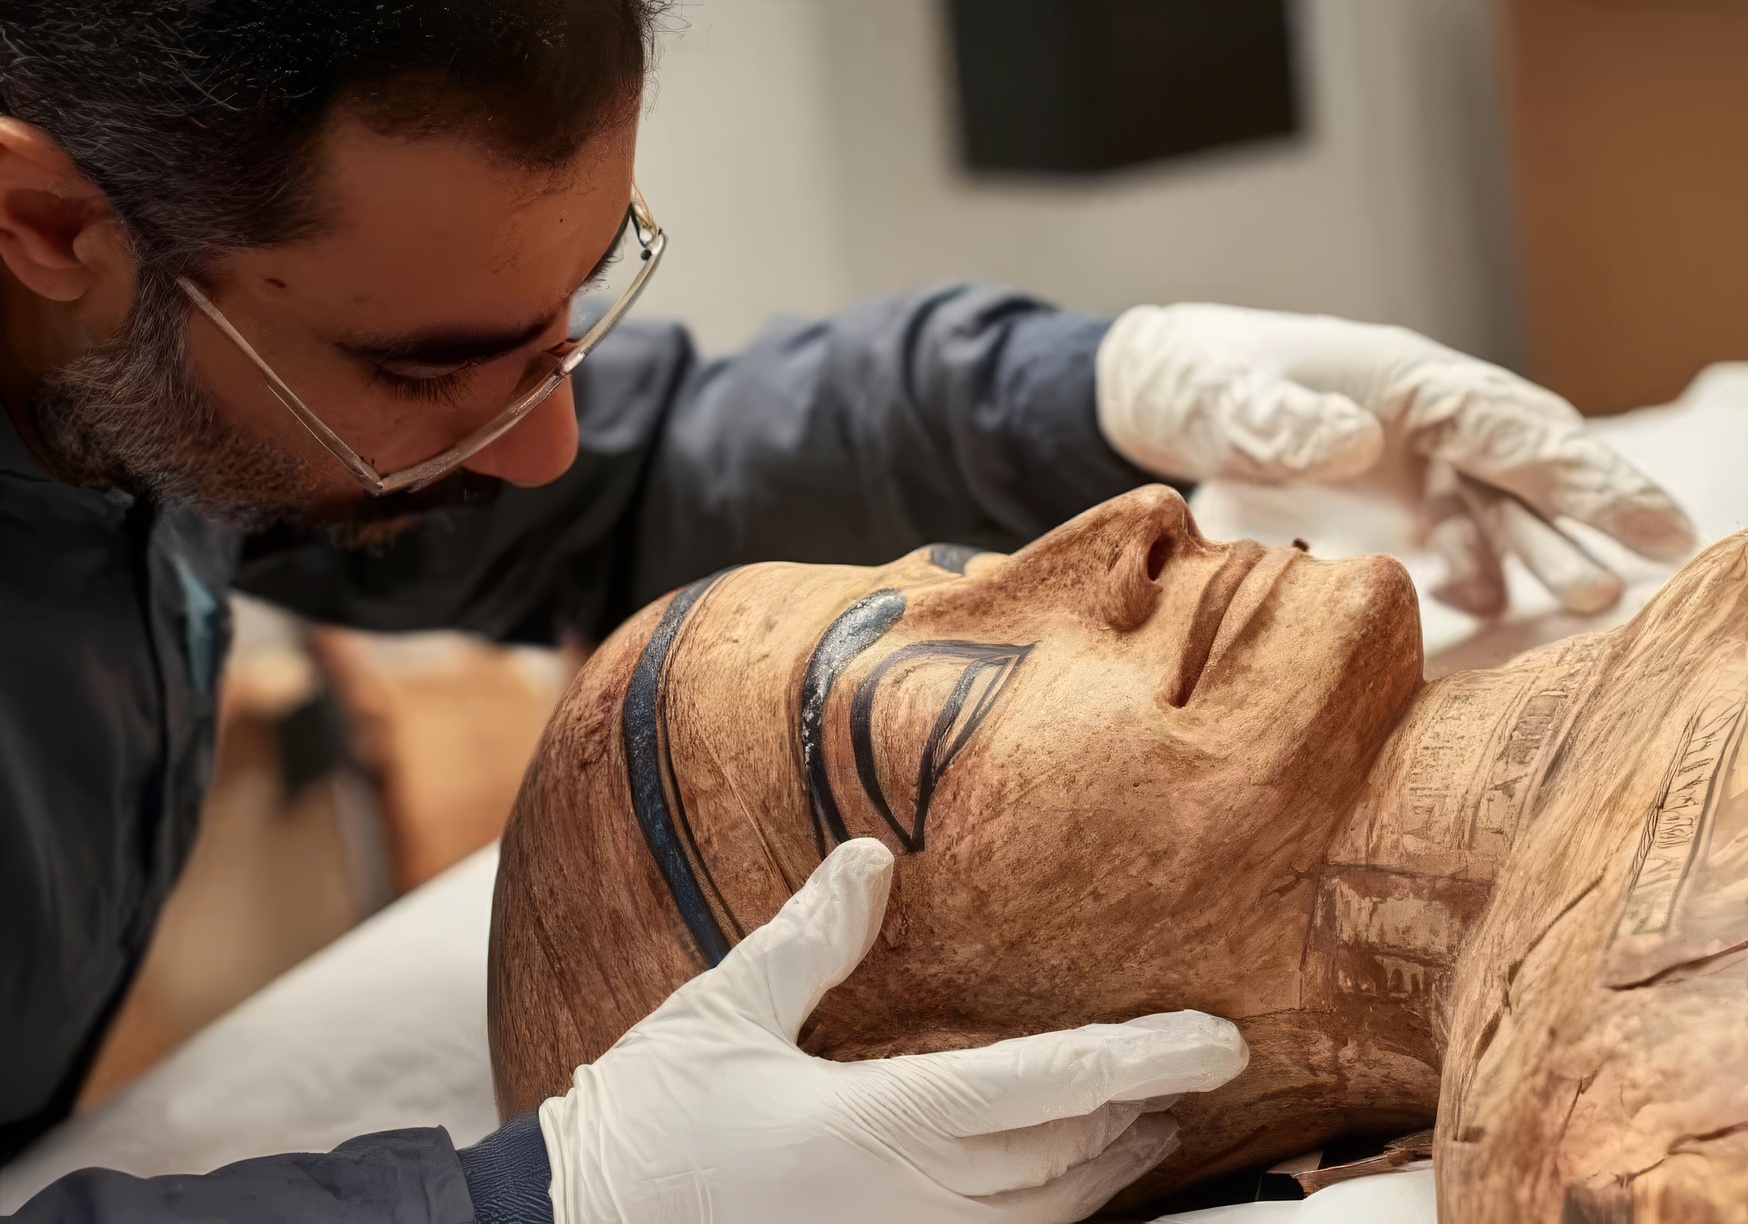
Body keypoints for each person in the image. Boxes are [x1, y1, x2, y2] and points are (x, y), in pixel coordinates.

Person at [0, 1, 1696, 1221]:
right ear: (45, 224)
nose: (544, 443)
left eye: (577, 306)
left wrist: (1097, 385)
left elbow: (638, 465)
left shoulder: (169, 333)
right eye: (429, 370)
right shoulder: (1632, 1124)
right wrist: (540, 1196)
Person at [489, 485, 1748, 1220]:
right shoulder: (1643, 1110)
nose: (1135, 519)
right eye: (924, 710)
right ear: (956, 1084)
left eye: (973, 563)